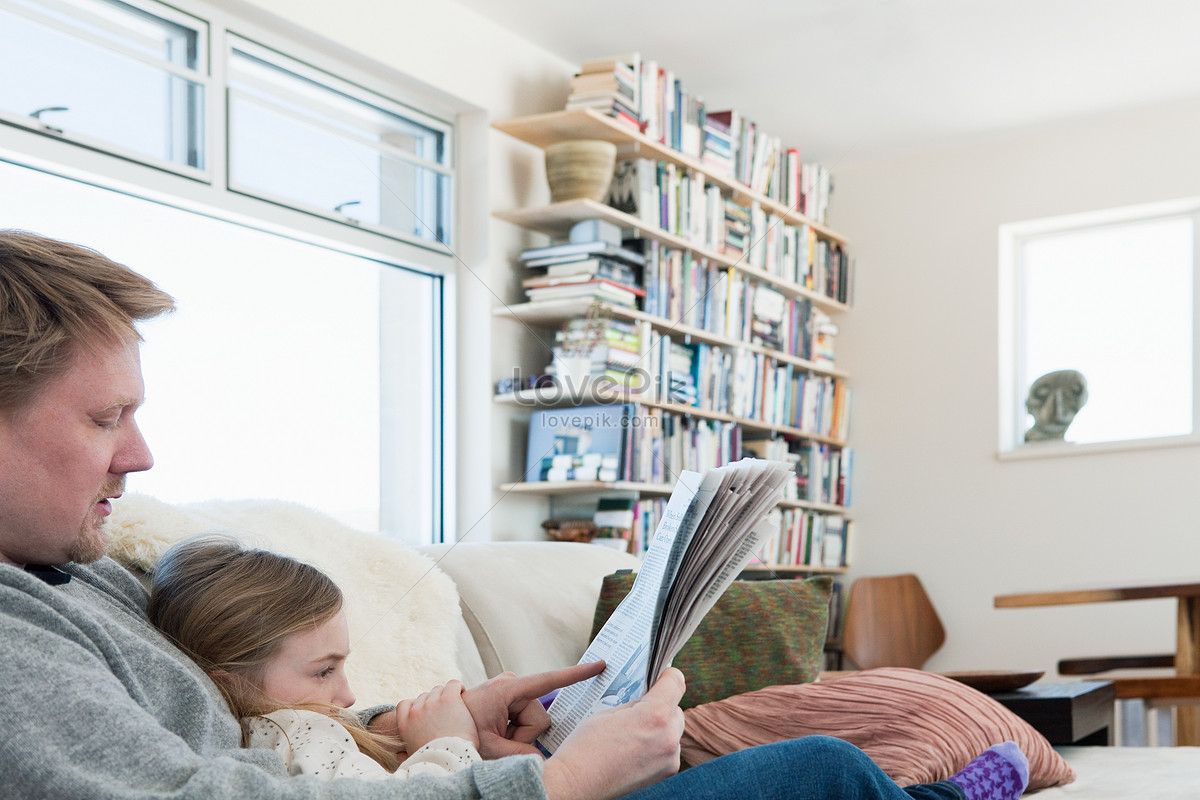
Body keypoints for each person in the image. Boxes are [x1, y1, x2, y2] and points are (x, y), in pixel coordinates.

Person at [0, 228, 1029, 800]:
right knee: (821, 771)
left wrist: (413, 724)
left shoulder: (84, 569)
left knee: (820, 774)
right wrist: (554, 785)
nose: (139, 454)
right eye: (104, 418)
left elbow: (247, 732)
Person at [147, 534, 482, 780]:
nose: (348, 697)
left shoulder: (264, 739)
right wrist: (449, 742)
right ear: (231, 685)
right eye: (324, 671)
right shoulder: (296, 732)